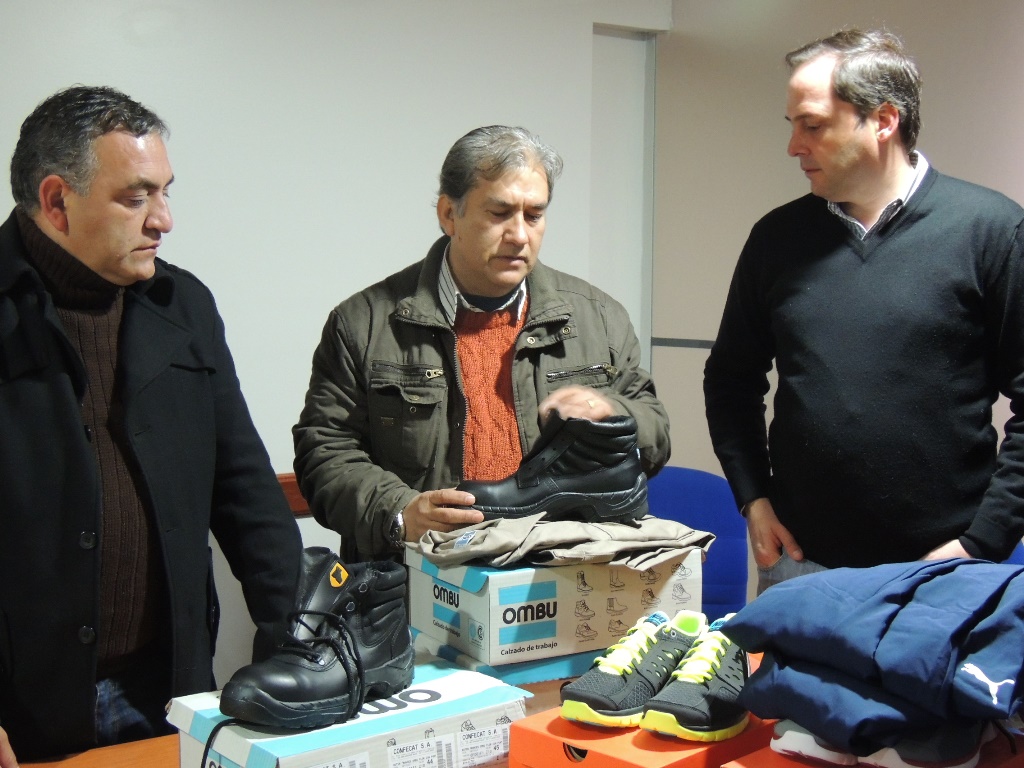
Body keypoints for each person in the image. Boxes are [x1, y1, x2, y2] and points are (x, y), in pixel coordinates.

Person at [0, 86, 302, 764]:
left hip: (167, 691)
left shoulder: (183, 304)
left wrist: (300, 645)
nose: (164, 220)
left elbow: (247, 493)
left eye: (164, 192)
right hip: (22, 709)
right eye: (136, 198)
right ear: (56, 202)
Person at [703, 29, 1024, 593]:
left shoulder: (991, 230)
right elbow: (730, 378)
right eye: (792, 125)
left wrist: (983, 541)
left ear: (883, 120)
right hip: (798, 563)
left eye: (813, 125)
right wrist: (753, 498)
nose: (793, 146)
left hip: (945, 571)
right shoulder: (777, 237)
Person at [294, 125, 670, 561]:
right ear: (448, 214)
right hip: (422, 575)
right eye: (499, 213)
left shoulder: (599, 318)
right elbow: (325, 451)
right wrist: (398, 512)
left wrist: (614, 413)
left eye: (534, 215)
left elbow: (655, 433)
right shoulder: (364, 322)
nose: (519, 235)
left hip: (557, 573)